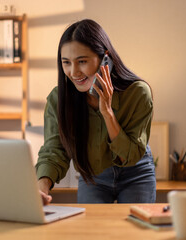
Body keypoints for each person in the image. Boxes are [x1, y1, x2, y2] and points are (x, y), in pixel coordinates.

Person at [35, 19, 156, 205]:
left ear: (104, 59)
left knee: (134, 232)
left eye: (82, 61)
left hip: (135, 172)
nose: (74, 72)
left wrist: (107, 111)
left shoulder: (137, 93)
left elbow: (131, 155)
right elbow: (54, 150)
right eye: (66, 62)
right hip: (93, 175)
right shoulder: (58, 99)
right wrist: (41, 187)